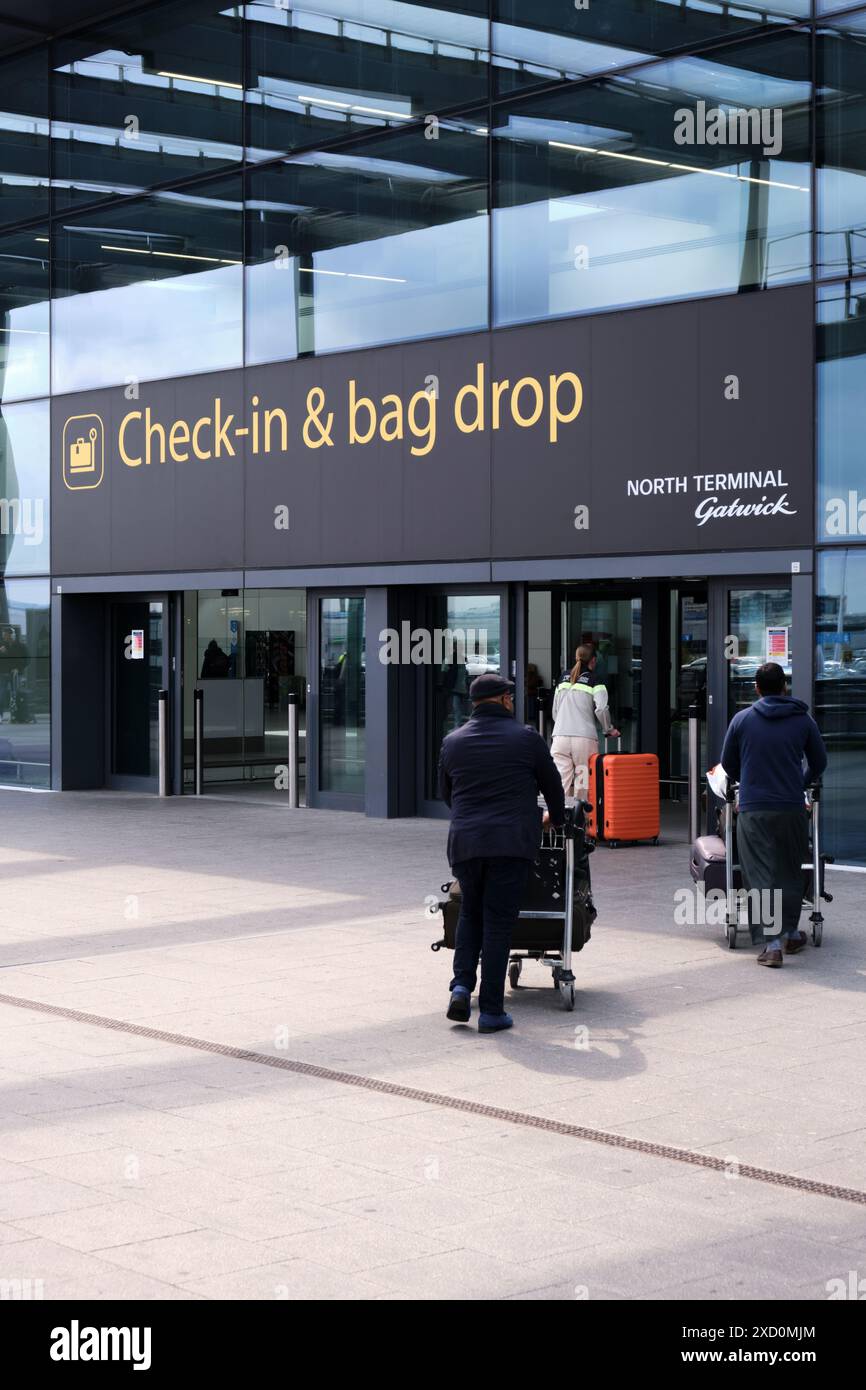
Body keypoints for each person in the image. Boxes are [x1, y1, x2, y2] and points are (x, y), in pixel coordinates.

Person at [438, 672, 566, 1033]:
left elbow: (447, 793)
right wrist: (552, 819)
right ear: (506, 700)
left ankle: (462, 987)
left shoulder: (453, 741)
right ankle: (492, 1010)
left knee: (470, 914)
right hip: (510, 844)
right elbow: (553, 786)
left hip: (466, 843)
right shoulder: (526, 738)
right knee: (497, 923)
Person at [720, 661, 827, 968]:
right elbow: (819, 762)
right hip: (792, 807)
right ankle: (792, 932)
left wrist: (750, 784)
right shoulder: (803, 720)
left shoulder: (742, 719)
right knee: (791, 870)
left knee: (760, 874)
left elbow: (728, 765)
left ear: (756, 688)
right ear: (785, 687)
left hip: (755, 810)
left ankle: (773, 944)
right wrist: (799, 783)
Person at [551, 644, 620, 798]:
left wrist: (562, 725)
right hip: (583, 739)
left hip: (559, 737)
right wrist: (608, 729)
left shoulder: (563, 678)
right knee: (582, 783)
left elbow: (555, 710)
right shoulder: (596, 680)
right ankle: (580, 820)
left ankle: (559, 818)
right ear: (593, 660)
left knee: (561, 782)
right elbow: (601, 709)